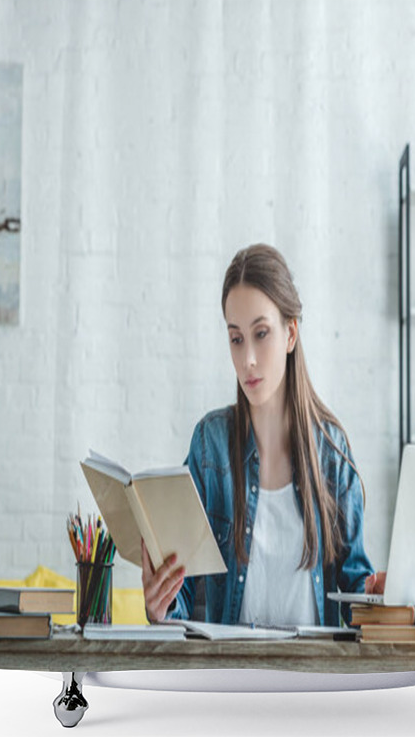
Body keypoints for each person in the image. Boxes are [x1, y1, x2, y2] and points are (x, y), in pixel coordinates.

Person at [142, 243, 385, 626]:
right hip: (229, 680)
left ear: (290, 335)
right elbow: (182, 597)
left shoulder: (332, 451)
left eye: (261, 333)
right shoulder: (211, 445)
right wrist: (161, 607)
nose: (248, 359)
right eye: (236, 338)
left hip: (313, 681)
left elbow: (353, 590)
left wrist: (381, 600)